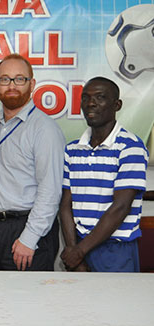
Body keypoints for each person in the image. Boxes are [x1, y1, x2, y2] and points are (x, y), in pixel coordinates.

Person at [0, 54, 64, 271]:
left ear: (32, 84)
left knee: (29, 302)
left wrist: (30, 237)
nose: (12, 86)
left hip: (26, 230)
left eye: (19, 79)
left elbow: (50, 190)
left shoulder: (44, 129)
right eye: (5, 79)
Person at [60, 77, 148, 272]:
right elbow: (66, 204)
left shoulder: (130, 147)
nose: (91, 103)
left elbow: (121, 207)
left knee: (117, 303)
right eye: (85, 98)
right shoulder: (72, 150)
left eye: (100, 97)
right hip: (79, 245)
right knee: (79, 303)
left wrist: (79, 251)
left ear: (117, 105)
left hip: (116, 250)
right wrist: (73, 250)